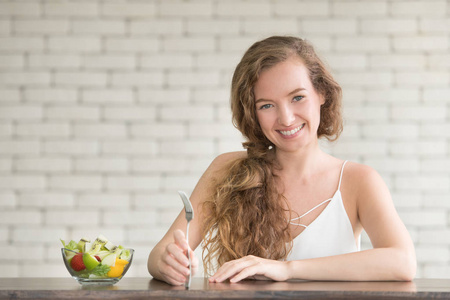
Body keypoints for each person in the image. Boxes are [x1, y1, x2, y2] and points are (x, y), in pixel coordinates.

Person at [147, 36, 416, 285]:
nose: (286, 119)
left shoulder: (358, 181)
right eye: (266, 105)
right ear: (252, 112)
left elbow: (403, 262)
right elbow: (158, 255)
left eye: (297, 97)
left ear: (322, 94)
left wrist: (287, 269)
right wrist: (168, 262)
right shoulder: (227, 170)